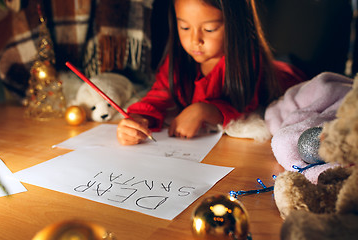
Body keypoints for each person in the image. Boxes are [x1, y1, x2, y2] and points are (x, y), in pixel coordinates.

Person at [116, 0, 306, 145]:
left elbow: (247, 108)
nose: (195, 40)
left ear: (235, 25)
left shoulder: (247, 60)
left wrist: (205, 110)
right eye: (184, 27)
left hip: (286, 72)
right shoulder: (179, 58)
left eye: (209, 29)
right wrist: (139, 118)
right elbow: (159, 93)